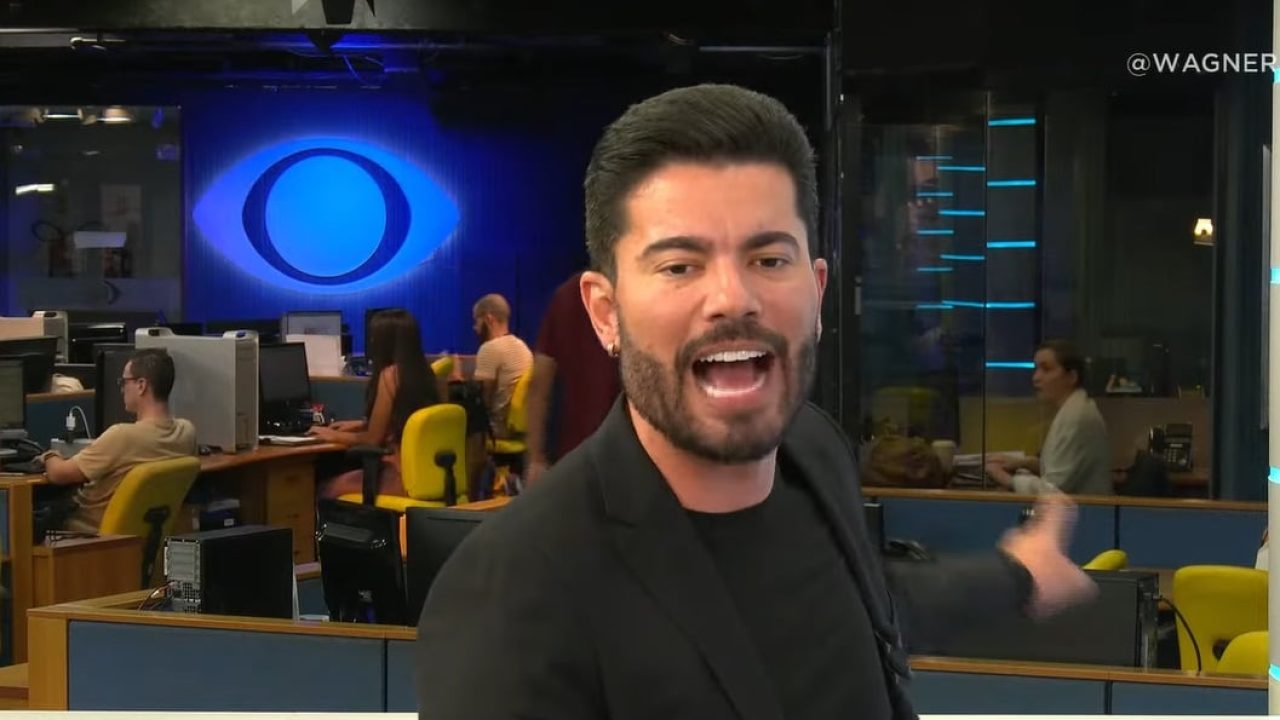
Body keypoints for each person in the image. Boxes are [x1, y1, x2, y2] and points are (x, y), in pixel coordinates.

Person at [414, 84, 1096, 720]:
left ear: (817, 292)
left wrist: (1017, 576)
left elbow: (860, 608)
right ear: (605, 313)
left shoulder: (814, 448)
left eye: (769, 260)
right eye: (680, 265)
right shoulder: (511, 592)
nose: (733, 298)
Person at [35, 348, 196, 539]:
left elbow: (59, 474)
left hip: (84, 536)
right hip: (141, 537)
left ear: (141, 385)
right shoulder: (186, 432)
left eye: (124, 382)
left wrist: (50, 455)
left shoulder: (122, 436)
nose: (121, 389)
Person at [310, 309, 439, 499]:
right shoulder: (426, 374)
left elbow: (372, 440)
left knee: (322, 489)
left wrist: (332, 435)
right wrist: (360, 424)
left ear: (385, 342)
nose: (370, 343)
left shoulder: (391, 376)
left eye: (374, 338)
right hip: (428, 475)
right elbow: (404, 422)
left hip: (400, 476)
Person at [524, 271, 622, 484]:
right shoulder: (643, 288)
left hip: (573, 460)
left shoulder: (567, 295)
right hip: (633, 459)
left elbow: (539, 384)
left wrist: (535, 458)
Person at [985, 339, 1113, 496]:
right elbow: (1062, 468)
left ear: (1071, 377)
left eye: (1046, 369)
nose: (1036, 377)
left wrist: (1004, 478)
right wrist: (1025, 463)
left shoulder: (1076, 418)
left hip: (1083, 510)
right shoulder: (1074, 408)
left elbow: (1053, 490)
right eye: (1036, 369)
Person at [468, 293, 533, 437]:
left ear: (488, 319)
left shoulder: (489, 348)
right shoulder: (522, 346)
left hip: (498, 429)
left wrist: (456, 378)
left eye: (477, 321)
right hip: (521, 430)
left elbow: (480, 401)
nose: (475, 328)